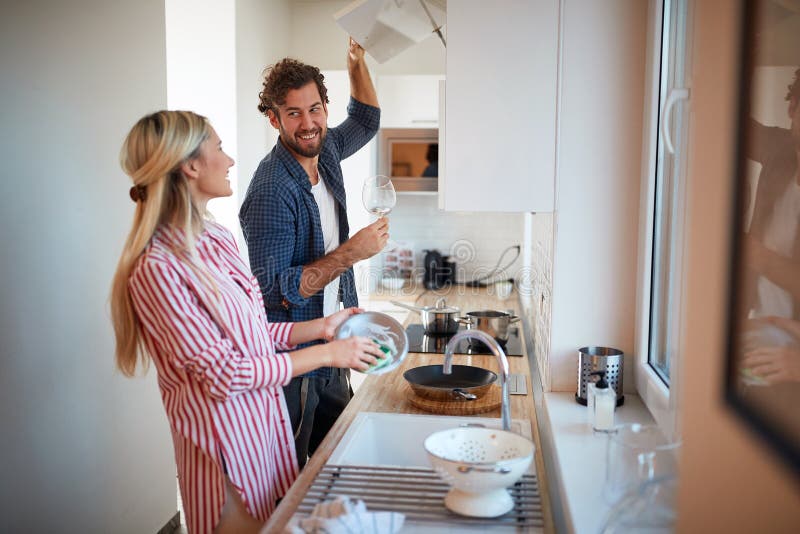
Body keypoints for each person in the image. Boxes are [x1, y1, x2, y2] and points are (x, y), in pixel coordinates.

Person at [110, 110, 385, 533]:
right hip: (225, 456)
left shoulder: (215, 238)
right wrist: (328, 353)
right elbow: (224, 373)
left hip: (266, 435)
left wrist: (321, 328)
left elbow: (251, 333)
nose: (231, 160)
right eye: (219, 148)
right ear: (191, 166)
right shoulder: (158, 269)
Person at [239, 38, 384, 468]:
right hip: (295, 365)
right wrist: (350, 253)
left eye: (315, 108)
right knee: (294, 477)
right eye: (294, 113)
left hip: (332, 340)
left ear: (325, 106)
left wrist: (356, 62)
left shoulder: (327, 150)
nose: (308, 123)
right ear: (274, 118)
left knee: (338, 464)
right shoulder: (271, 190)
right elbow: (276, 293)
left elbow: (366, 119)